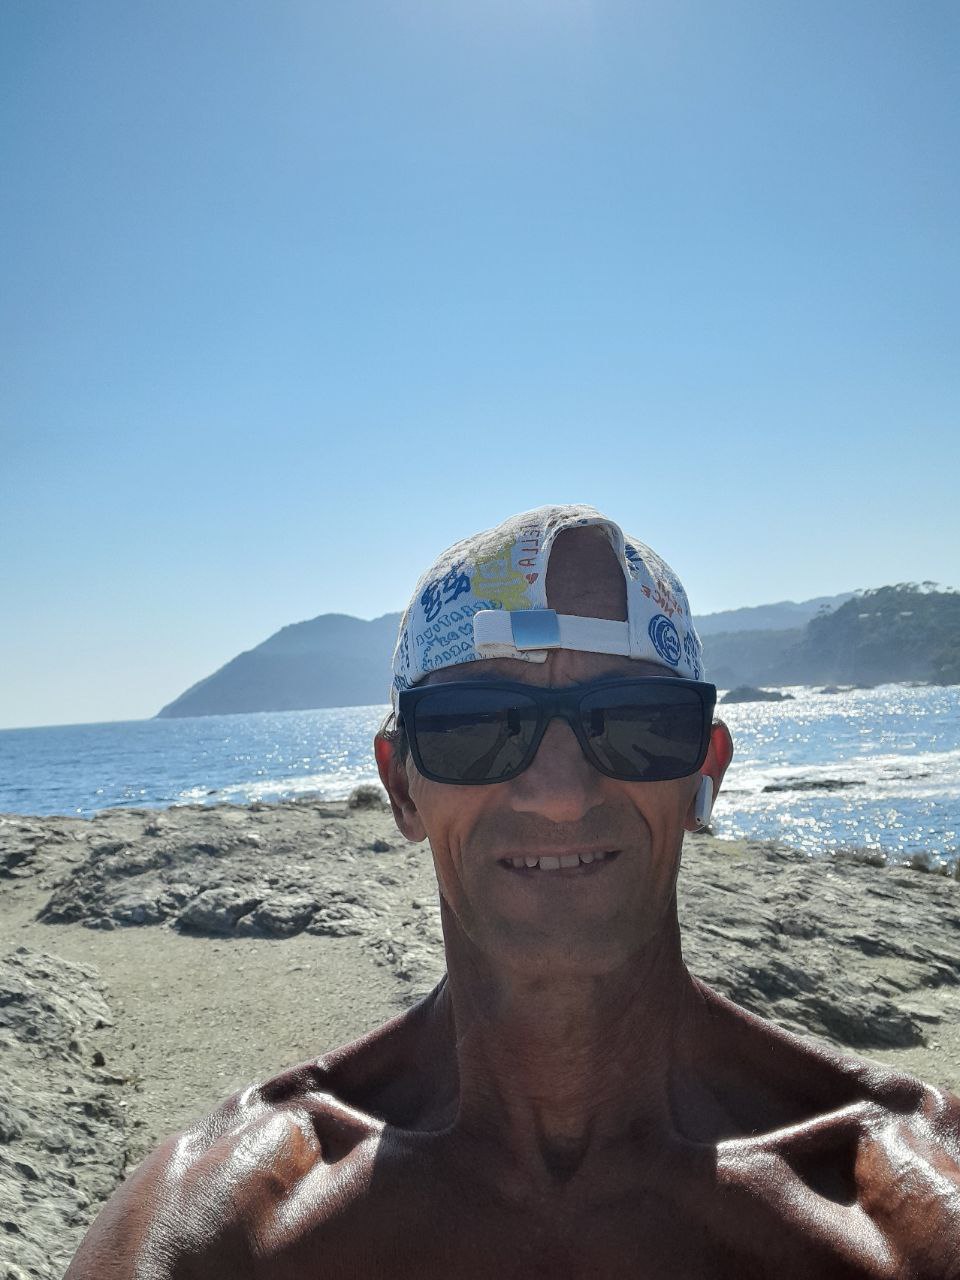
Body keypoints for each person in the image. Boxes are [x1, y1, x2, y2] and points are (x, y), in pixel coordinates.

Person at [67, 505, 960, 1278]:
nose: (560, 793)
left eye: (637, 723)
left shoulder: (908, 1204)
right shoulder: (219, 1225)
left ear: (705, 769)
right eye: (477, 727)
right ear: (401, 785)